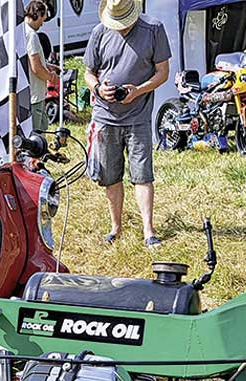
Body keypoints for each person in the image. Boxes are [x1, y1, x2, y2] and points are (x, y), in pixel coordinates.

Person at [83, 0, 171, 248]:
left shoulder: (153, 29)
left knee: (143, 175)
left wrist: (139, 90)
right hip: (105, 115)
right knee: (110, 176)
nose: (120, 28)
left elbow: (163, 71)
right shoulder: (99, 32)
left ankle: (148, 231)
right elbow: (88, 73)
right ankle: (116, 227)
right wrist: (99, 88)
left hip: (138, 115)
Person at [23, 1, 57, 130]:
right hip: (34, 93)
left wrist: (46, 65)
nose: (42, 24)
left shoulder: (21, 31)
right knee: (36, 133)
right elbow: (36, 68)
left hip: (30, 92)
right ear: (37, 14)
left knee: (42, 127)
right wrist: (51, 76)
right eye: (42, 19)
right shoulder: (31, 35)